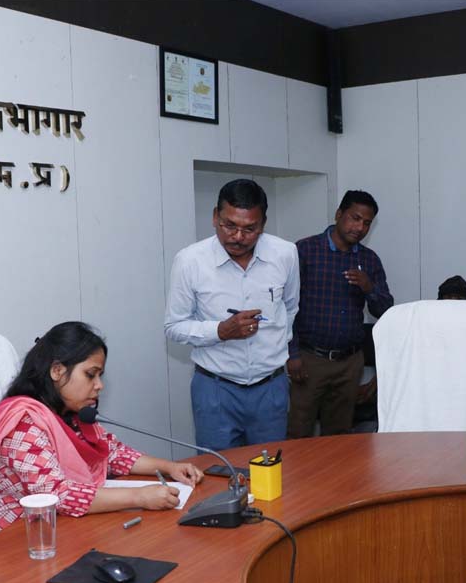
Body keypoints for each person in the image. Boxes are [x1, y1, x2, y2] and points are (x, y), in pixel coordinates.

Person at [0, 321, 203, 544]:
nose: (99, 385)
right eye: (90, 375)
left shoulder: (71, 414)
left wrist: (169, 467)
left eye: (100, 376)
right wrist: (140, 496)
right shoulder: (23, 424)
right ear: (57, 371)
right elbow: (56, 495)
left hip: (63, 529)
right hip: (20, 541)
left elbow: (111, 453)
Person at [165, 179, 299, 450]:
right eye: (229, 225)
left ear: (263, 224)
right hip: (215, 389)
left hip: (270, 387)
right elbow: (174, 326)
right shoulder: (190, 261)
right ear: (215, 216)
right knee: (217, 469)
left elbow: (290, 308)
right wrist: (220, 331)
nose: (238, 237)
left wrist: (272, 350)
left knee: (270, 469)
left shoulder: (285, 254)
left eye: (250, 229)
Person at [287, 190, 393, 439]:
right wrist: (292, 354)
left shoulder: (369, 260)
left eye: (367, 223)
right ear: (338, 214)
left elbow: (386, 310)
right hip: (309, 360)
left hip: (349, 363)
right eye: (355, 218)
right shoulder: (305, 250)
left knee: (340, 437)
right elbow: (286, 306)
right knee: (299, 433)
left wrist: (369, 288)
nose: (360, 228)